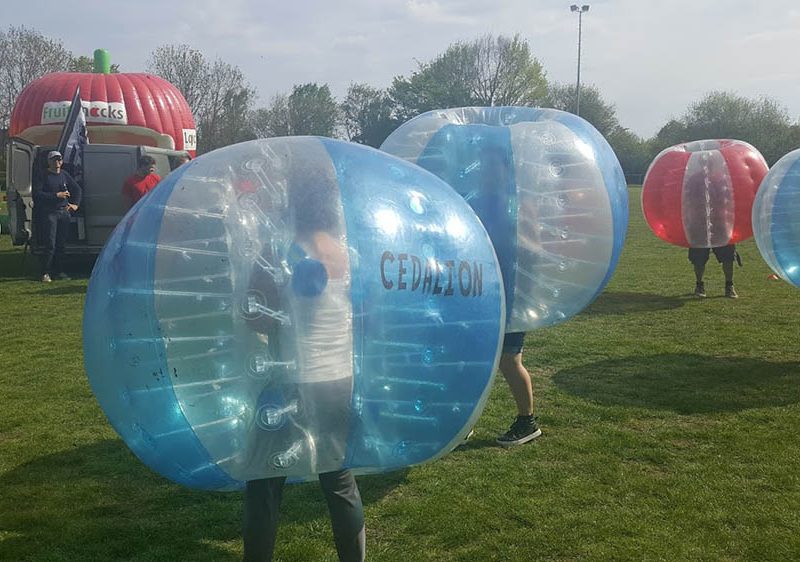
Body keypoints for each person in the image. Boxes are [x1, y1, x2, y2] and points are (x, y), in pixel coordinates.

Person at [242, 164, 365, 562]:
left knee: (264, 479)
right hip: (339, 377)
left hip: (292, 380)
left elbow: (255, 315)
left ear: (293, 201)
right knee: (339, 478)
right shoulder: (346, 251)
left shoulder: (280, 250)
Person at [32, 150, 82, 283]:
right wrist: (56, 195)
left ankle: (59, 271)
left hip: (64, 212)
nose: (57, 162)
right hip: (50, 213)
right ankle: (45, 272)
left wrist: (75, 205)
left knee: (61, 244)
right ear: (49, 162)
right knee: (50, 244)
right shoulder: (43, 175)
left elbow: (77, 189)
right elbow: (37, 194)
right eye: (54, 160)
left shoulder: (64, 174)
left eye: (59, 159)